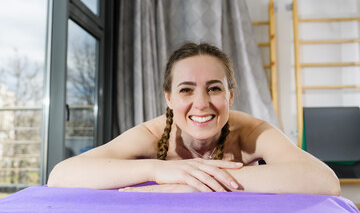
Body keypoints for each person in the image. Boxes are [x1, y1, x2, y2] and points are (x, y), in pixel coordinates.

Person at [48, 42, 340, 195]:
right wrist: (158, 172)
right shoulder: (152, 134)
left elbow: (324, 180)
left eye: (214, 88)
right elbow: (61, 175)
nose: (201, 103)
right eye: (186, 90)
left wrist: (196, 180)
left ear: (230, 96)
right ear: (169, 98)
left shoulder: (252, 131)